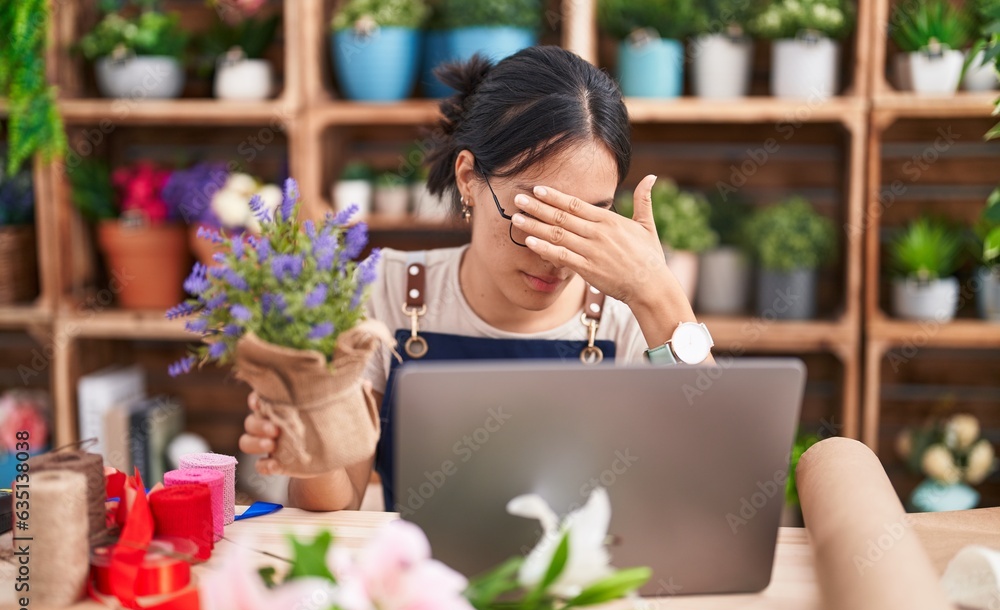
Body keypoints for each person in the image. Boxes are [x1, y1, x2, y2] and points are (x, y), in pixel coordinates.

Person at [239, 46, 712, 512]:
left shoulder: (629, 311)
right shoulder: (387, 288)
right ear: (469, 178)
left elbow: (709, 485)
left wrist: (659, 293)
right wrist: (308, 438)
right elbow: (338, 513)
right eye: (532, 214)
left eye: (589, 221)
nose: (555, 255)